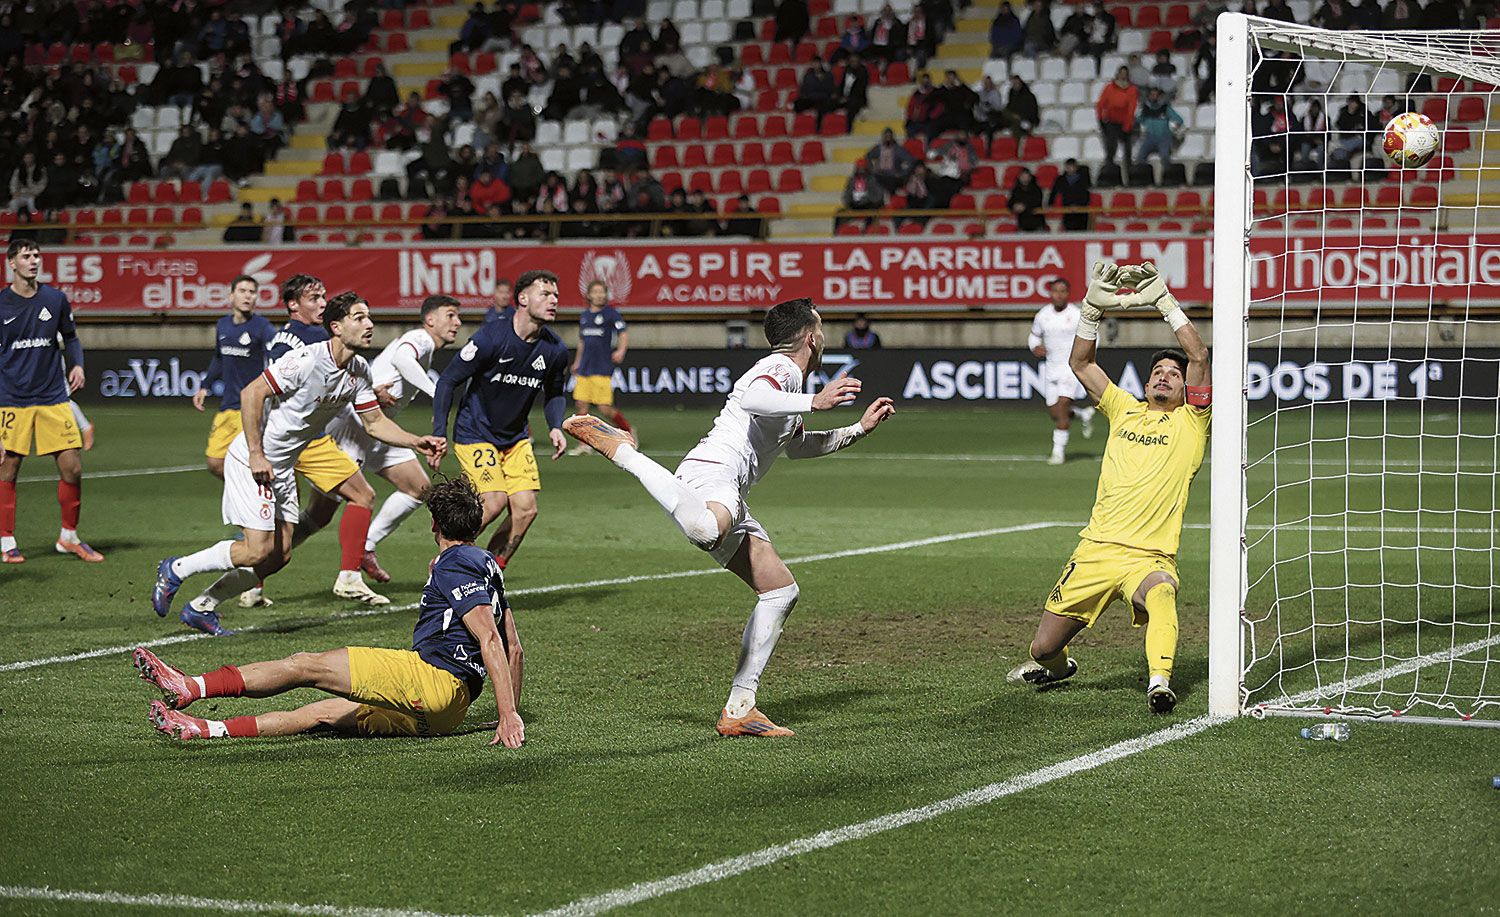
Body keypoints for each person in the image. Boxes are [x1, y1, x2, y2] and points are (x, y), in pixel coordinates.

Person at [563, 298, 898, 737]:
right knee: (706, 529)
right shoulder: (781, 371)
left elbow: (798, 446)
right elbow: (757, 397)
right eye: (822, 330)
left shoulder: (790, 385)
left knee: (779, 590)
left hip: (729, 487)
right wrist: (815, 400)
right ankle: (623, 451)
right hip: (713, 472)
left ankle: (740, 708)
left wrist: (857, 429)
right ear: (812, 338)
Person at [133, 475, 524, 747]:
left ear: (434, 524)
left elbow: (489, 637)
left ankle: (191, 687)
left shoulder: (454, 562)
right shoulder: (488, 563)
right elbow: (514, 648)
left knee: (306, 665)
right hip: (447, 713)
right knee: (320, 714)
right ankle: (203, 729)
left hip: (433, 682)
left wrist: (507, 715)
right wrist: (510, 710)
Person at [151, 293, 446, 636]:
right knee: (256, 550)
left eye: (369, 318)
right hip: (253, 460)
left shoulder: (358, 370)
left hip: (283, 467)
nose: (369, 325)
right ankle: (176, 569)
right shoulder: (306, 360)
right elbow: (251, 393)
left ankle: (202, 606)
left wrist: (416, 440)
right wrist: (257, 453)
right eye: (359, 318)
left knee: (278, 556)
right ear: (336, 327)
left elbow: (375, 423)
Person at [1008, 262, 1210, 714]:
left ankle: (1159, 682)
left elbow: (1198, 357)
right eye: (1158, 371)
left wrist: (1163, 301)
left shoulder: (1193, 422)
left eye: (1172, 375)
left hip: (1148, 556)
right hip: (1095, 551)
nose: (1164, 376)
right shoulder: (1124, 408)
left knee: (1161, 591)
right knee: (1041, 649)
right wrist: (1091, 310)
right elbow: (1080, 362)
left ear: (1185, 389)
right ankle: (1059, 669)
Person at [262, 276, 395, 608]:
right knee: (276, 526)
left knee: (304, 519)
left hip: (309, 436)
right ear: (293, 304)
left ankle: (253, 581)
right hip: (294, 438)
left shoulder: (309, 337)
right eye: (314, 298)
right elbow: (273, 390)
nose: (322, 303)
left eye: (323, 297)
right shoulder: (296, 342)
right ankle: (346, 576)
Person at [432, 270, 570, 570]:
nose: (554, 300)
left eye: (556, 295)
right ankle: (444, 561)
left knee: (526, 510)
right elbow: (448, 380)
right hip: (475, 432)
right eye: (545, 294)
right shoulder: (491, 337)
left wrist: (556, 426)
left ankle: (492, 569)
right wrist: (439, 432)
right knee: (493, 502)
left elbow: (555, 393)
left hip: (515, 439)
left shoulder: (555, 350)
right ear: (522, 298)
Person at [325, 295, 464, 583]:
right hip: (354, 424)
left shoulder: (424, 348)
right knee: (321, 512)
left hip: (379, 427)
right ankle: (257, 568)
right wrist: (437, 392)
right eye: (450, 315)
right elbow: (402, 358)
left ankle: (365, 547)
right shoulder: (420, 338)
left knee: (419, 487)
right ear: (430, 320)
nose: (457, 322)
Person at [0, 239, 102, 564]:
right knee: (8, 468)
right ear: (12, 263)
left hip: (52, 397)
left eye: (37, 255)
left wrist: (77, 364)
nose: (33, 260)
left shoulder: (55, 299)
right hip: (12, 399)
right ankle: (6, 541)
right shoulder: (1, 303)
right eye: (26, 256)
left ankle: (68, 537)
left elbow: (70, 337)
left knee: (72, 468)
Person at [193, 275, 276, 480]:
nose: (247, 296)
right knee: (214, 462)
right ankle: (248, 493)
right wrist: (205, 386)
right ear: (231, 296)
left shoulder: (262, 327)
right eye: (242, 291)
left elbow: (276, 355)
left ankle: (261, 503)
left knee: (250, 462)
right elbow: (219, 357)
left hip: (250, 408)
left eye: (252, 292)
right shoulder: (223, 325)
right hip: (228, 405)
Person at [1028, 279, 1095, 465]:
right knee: (1055, 413)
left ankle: (1058, 452)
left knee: (1063, 405)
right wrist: (1035, 348)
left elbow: (1091, 337)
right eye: (1055, 291)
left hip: (1070, 368)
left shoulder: (1075, 315)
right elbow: (1033, 337)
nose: (1059, 294)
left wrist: (1086, 359)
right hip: (1051, 369)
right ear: (1050, 293)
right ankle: (1082, 414)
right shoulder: (1043, 315)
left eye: (1062, 291)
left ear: (1067, 293)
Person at [569, 280, 633, 454]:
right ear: (589, 295)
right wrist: (577, 361)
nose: (599, 295)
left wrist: (621, 350)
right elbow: (582, 341)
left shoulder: (611, 314)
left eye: (602, 292)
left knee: (604, 408)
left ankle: (628, 431)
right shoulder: (585, 316)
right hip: (585, 368)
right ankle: (585, 444)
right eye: (595, 292)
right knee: (581, 405)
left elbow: (623, 333)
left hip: (602, 367)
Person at [1096, 66, 1138, 173]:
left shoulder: (1132, 89)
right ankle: (1109, 171)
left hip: (1124, 122)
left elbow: (1131, 108)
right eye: (1121, 73)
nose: (1123, 75)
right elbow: (1101, 104)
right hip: (1111, 122)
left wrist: (1127, 126)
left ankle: (1129, 171)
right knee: (1110, 147)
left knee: (1127, 149)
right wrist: (1101, 119)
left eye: (1125, 73)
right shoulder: (1109, 87)